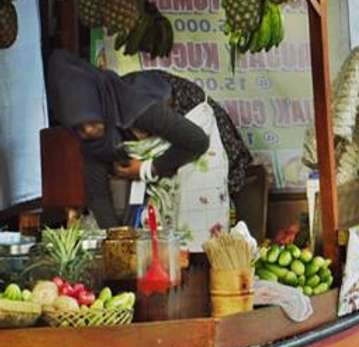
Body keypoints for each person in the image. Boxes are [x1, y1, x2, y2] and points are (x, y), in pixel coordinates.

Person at [45, 51, 241, 229]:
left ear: (99, 105)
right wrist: (118, 238)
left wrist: (146, 169)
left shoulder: (134, 106)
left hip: (194, 130)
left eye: (92, 121)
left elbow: (197, 140)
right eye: (79, 127)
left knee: (195, 208)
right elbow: (97, 193)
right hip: (167, 149)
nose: (88, 130)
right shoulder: (91, 135)